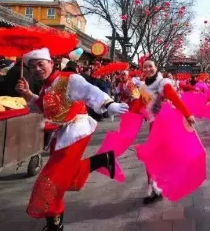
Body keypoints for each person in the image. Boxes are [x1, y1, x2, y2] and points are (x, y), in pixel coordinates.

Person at [15, 48, 129, 231]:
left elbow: (90, 91)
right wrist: (27, 93)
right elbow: (43, 107)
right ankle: (102, 160)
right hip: (60, 134)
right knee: (67, 175)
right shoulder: (46, 87)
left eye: (40, 64)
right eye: (32, 66)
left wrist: (109, 105)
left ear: (51, 63)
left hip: (76, 132)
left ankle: (55, 226)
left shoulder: (70, 79)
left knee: (50, 180)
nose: (37, 69)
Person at [129, 58, 196, 204]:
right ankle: (154, 187)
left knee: (162, 156)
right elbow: (139, 104)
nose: (147, 69)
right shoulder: (143, 87)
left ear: (156, 67)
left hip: (167, 125)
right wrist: (128, 116)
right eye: (145, 67)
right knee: (152, 156)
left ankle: (161, 183)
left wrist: (188, 114)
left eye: (150, 66)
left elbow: (176, 99)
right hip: (154, 126)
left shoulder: (163, 83)